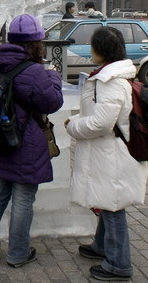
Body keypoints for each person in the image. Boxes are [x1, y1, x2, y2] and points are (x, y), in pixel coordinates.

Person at [0, 14, 63, 268]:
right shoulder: (34, 71)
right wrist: (53, 76)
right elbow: (52, 102)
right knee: (23, 197)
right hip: (25, 144)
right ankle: (18, 254)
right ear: (36, 44)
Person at [64, 27, 148, 281]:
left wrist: (73, 126)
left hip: (112, 154)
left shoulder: (110, 82)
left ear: (100, 50)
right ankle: (101, 247)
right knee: (108, 200)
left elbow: (101, 123)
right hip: (110, 151)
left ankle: (119, 264)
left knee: (113, 208)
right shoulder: (109, 76)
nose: (90, 49)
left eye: (92, 45)